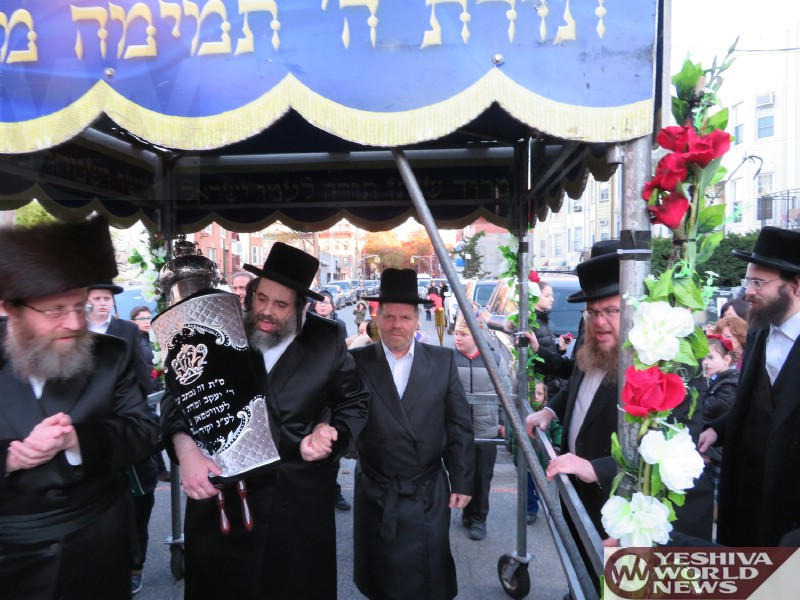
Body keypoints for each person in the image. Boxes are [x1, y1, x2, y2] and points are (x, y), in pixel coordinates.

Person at [161, 242, 369, 600]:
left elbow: (353, 402)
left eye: (281, 304)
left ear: (302, 308)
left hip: (297, 507)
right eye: (261, 298)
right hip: (224, 500)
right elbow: (175, 399)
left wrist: (331, 433)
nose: (267, 312)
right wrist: (186, 450)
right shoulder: (214, 328)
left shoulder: (326, 338)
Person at [0, 216, 159, 599]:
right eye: (55, 310)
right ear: (11, 309)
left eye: (79, 306)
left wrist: (76, 440)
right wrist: (10, 460)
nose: (73, 323)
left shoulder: (111, 354)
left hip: (96, 542)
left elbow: (143, 432)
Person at [525, 253, 713, 557]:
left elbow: (674, 444)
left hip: (630, 513)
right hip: (583, 499)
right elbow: (578, 385)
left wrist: (596, 468)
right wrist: (551, 410)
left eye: (612, 310)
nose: (600, 321)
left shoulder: (670, 361)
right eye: (592, 312)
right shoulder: (591, 341)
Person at [350, 268, 474, 600]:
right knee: (381, 577)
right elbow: (342, 418)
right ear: (377, 318)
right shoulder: (356, 361)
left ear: (417, 320)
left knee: (428, 576)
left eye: (405, 317)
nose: (397, 325)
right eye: (389, 316)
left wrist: (462, 480)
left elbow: (459, 425)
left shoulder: (443, 361)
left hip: (426, 491)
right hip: (376, 489)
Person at [699, 226, 800, 547]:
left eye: (758, 282)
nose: (747, 292)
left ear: (796, 285)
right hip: (744, 495)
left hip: (788, 508)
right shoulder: (758, 331)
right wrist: (717, 429)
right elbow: (753, 404)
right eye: (748, 281)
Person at [453, 315, 501, 541]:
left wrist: (503, 422)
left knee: (482, 476)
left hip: (486, 429)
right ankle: (467, 511)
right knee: (462, 473)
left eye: (463, 334)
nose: (457, 338)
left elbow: (505, 392)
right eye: (456, 333)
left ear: (476, 335)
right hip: (458, 430)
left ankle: (479, 518)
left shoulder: (493, 359)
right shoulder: (450, 358)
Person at [310, 289, 352, 511]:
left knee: (331, 447)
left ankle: (334, 492)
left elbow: (343, 352)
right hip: (312, 390)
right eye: (320, 302)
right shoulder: (307, 324)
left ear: (333, 306)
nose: (323, 305)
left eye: (327, 302)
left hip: (332, 389)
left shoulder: (339, 325)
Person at [699, 334, 738, 494]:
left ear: (726, 359)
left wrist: (703, 382)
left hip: (718, 453)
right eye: (703, 358)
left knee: (716, 496)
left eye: (711, 357)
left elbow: (707, 409)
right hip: (713, 450)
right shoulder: (720, 380)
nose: (705, 363)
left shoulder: (730, 385)